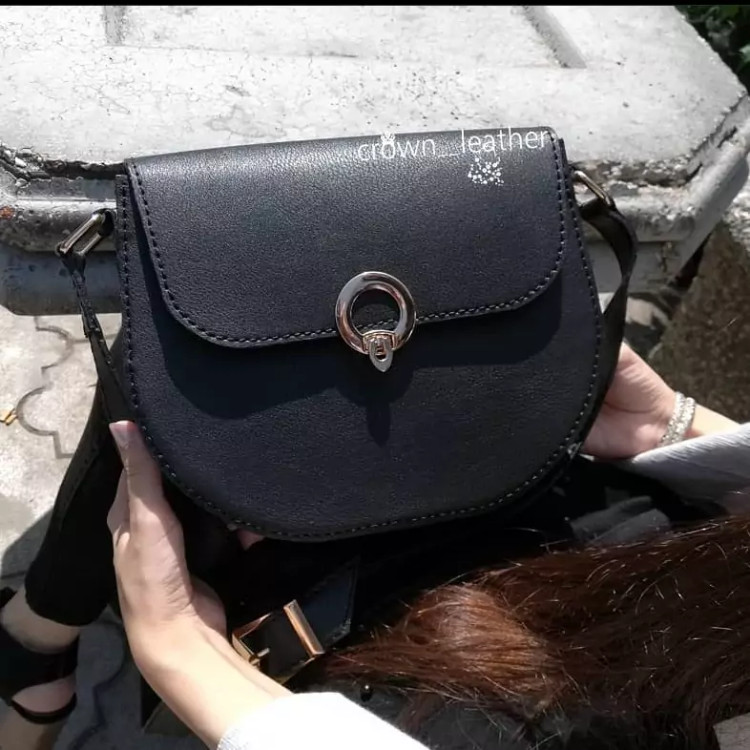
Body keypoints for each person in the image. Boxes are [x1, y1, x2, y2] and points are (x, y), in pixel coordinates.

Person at [0, 341, 747, 750]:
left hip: (477, 700)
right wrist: (676, 429)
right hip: (631, 560)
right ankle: (41, 637)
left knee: (168, 373)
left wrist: (183, 653)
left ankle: (38, 645)